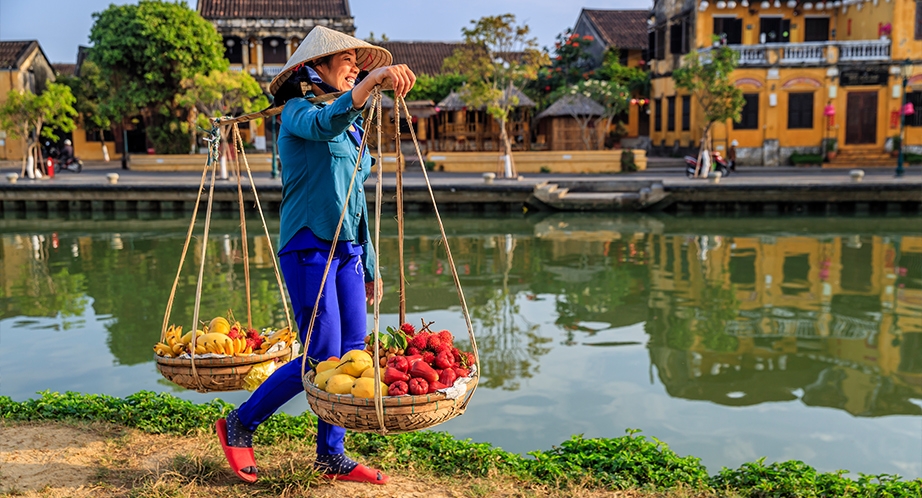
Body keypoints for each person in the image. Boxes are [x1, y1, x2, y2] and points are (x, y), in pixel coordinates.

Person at [214, 26, 416, 485]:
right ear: (315, 69)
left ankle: (331, 456)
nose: (355, 68)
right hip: (308, 246)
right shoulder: (298, 113)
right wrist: (371, 83)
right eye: (347, 61)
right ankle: (240, 424)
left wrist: (370, 266)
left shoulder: (353, 129)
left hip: (347, 251)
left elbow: (356, 200)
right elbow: (326, 122)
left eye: (358, 63)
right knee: (318, 356)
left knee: (349, 357)